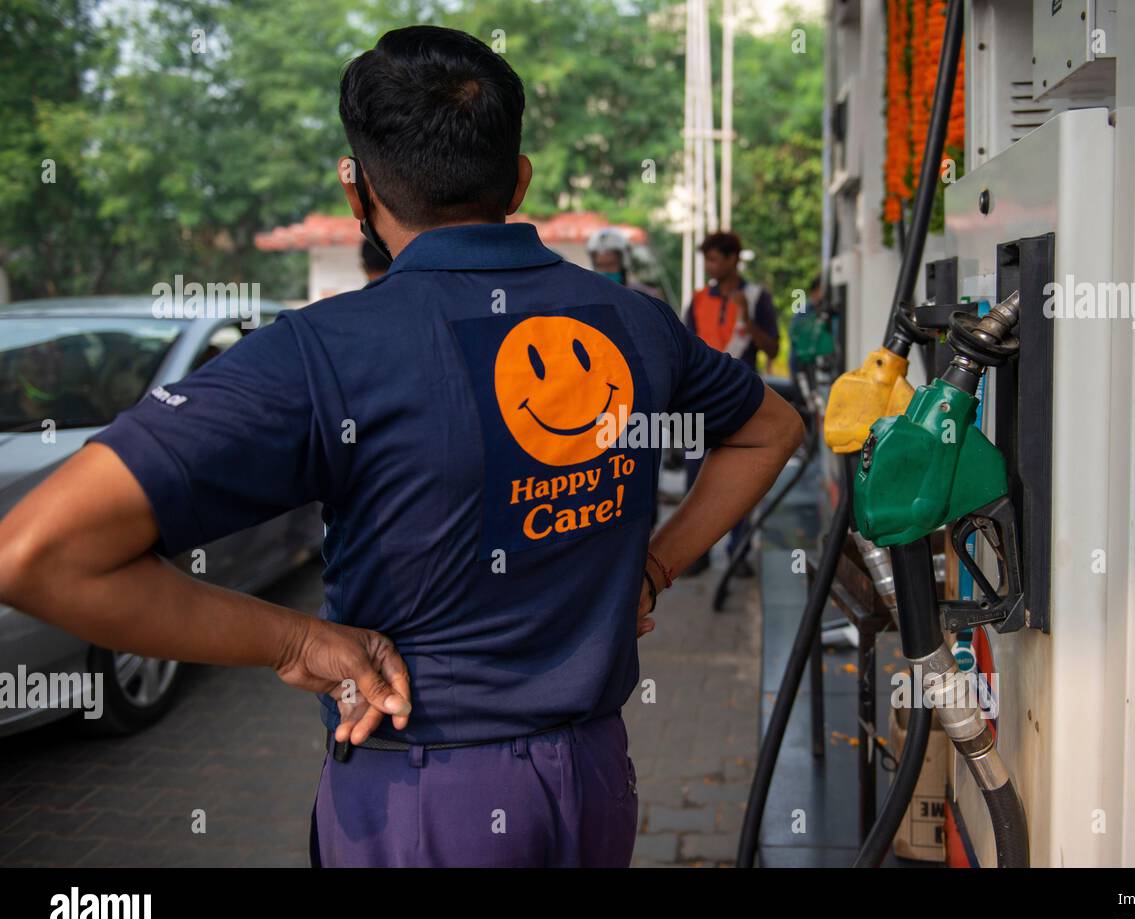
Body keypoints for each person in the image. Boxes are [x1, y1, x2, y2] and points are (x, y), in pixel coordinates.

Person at [0, 25, 804, 868]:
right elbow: (773, 427)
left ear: (358, 193)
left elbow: (37, 552)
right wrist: (657, 564)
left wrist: (298, 643)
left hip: (424, 802)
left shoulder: (325, 351)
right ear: (518, 180)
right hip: (594, 782)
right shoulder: (630, 318)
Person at [680, 231, 780, 578]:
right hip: (697, 398)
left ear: (734, 258)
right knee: (695, 479)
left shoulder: (756, 297)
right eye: (707, 259)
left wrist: (749, 322)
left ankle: (738, 551)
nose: (711, 265)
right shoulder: (696, 300)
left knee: (739, 476)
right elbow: (684, 346)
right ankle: (694, 553)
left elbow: (772, 350)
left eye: (716, 258)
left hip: (741, 397)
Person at [586, 227, 665, 301]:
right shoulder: (588, 298)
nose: (605, 271)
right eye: (600, 265)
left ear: (623, 263)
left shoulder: (647, 297)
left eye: (611, 264)